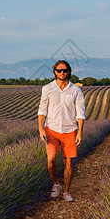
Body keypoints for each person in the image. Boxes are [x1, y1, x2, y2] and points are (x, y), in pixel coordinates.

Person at [37, 60, 85, 202]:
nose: (62, 73)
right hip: (51, 129)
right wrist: (40, 128)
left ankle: (66, 192)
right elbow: (42, 110)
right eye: (59, 70)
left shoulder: (76, 90)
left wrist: (80, 133)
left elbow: (80, 114)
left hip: (70, 130)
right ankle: (56, 184)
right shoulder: (47, 88)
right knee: (51, 160)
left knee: (69, 163)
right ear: (54, 72)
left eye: (64, 70)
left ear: (69, 72)